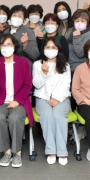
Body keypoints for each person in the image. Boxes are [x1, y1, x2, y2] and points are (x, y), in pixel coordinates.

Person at [0, 34, 33, 168]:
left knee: (15, 118)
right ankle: (6, 151)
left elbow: (27, 85)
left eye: (9, 44)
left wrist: (17, 100)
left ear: (14, 46)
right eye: (3, 45)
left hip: (19, 101)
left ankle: (17, 153)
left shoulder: (23, 62)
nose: (6, 47)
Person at [33, 37, 72, 165]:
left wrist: (57, 99)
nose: (50, 50)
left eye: (53, 47)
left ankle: (62, 150)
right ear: (43, 49)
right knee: (47, 115)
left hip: (62, 99)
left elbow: (66, 85)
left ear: (58, 49)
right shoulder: (37, 64)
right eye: (48, 47)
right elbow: (36, 84)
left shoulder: (65, 65)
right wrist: (44, 73)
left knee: (58, 116)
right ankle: (51, 150)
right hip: (42, 98)